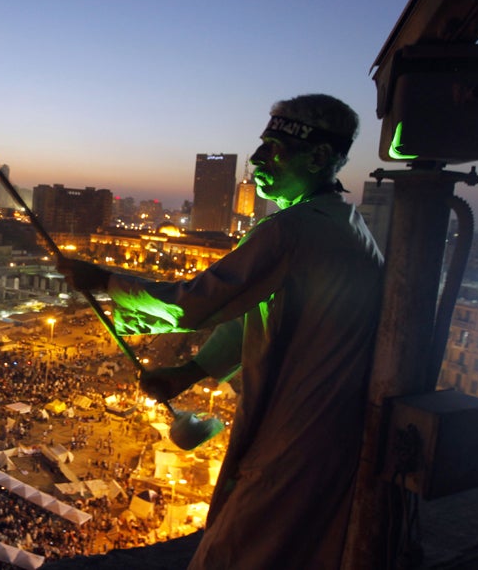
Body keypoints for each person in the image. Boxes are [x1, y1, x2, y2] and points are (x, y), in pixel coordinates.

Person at [60, 93, 384, 569]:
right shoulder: (348, 227)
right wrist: (189, 372)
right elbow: (254, 315)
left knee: (241, 551)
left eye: (273, 148)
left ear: (318, 157)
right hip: (325, 431)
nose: (255, 161)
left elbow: (199, 303)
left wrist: (106, 281)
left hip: (298, 433)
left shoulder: (294, 230)